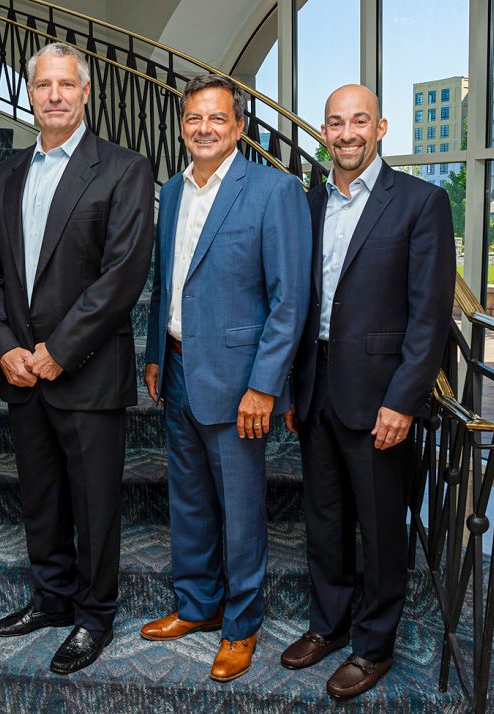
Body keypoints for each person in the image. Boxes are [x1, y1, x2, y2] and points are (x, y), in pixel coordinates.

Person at [0, 41, 154, 674]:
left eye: (65, 85)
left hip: (88, 370)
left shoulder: (124, 168)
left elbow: (122, 275)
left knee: (95, 503)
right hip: (20, 371)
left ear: (85, 93)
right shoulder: (3, 174)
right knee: (40, 497)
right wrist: (6, 350)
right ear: (30, 93)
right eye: (43, 84)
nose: (53, 94)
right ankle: (50, 598)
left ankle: (94, 616)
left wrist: (57, 351)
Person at [280, 84, 455, 698]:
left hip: (381, 394)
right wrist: (291, 387)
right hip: (317, 383)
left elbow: (430, 316)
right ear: (323, 132)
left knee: (381, 528)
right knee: (325, 518)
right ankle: (328, 625)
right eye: (335, 123)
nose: (347, 133)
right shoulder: (308, 202)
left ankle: (373, 645)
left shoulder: (421, 203)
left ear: (381, 128)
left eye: (359, 121)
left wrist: (403, 400)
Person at [139, 73, 311, 682]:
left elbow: (289, 301)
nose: (204, 129)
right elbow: (168, 281)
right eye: (193, 119)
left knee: (240, 511)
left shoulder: (273, 190)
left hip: (241, 382)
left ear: (238, 127)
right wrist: (158, 350)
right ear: (182, 127)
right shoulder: (172, 192)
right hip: (180, 366)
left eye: (217, 118)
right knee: (187, 501)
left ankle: (241, 625)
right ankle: (197, 606)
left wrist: (264, 386)